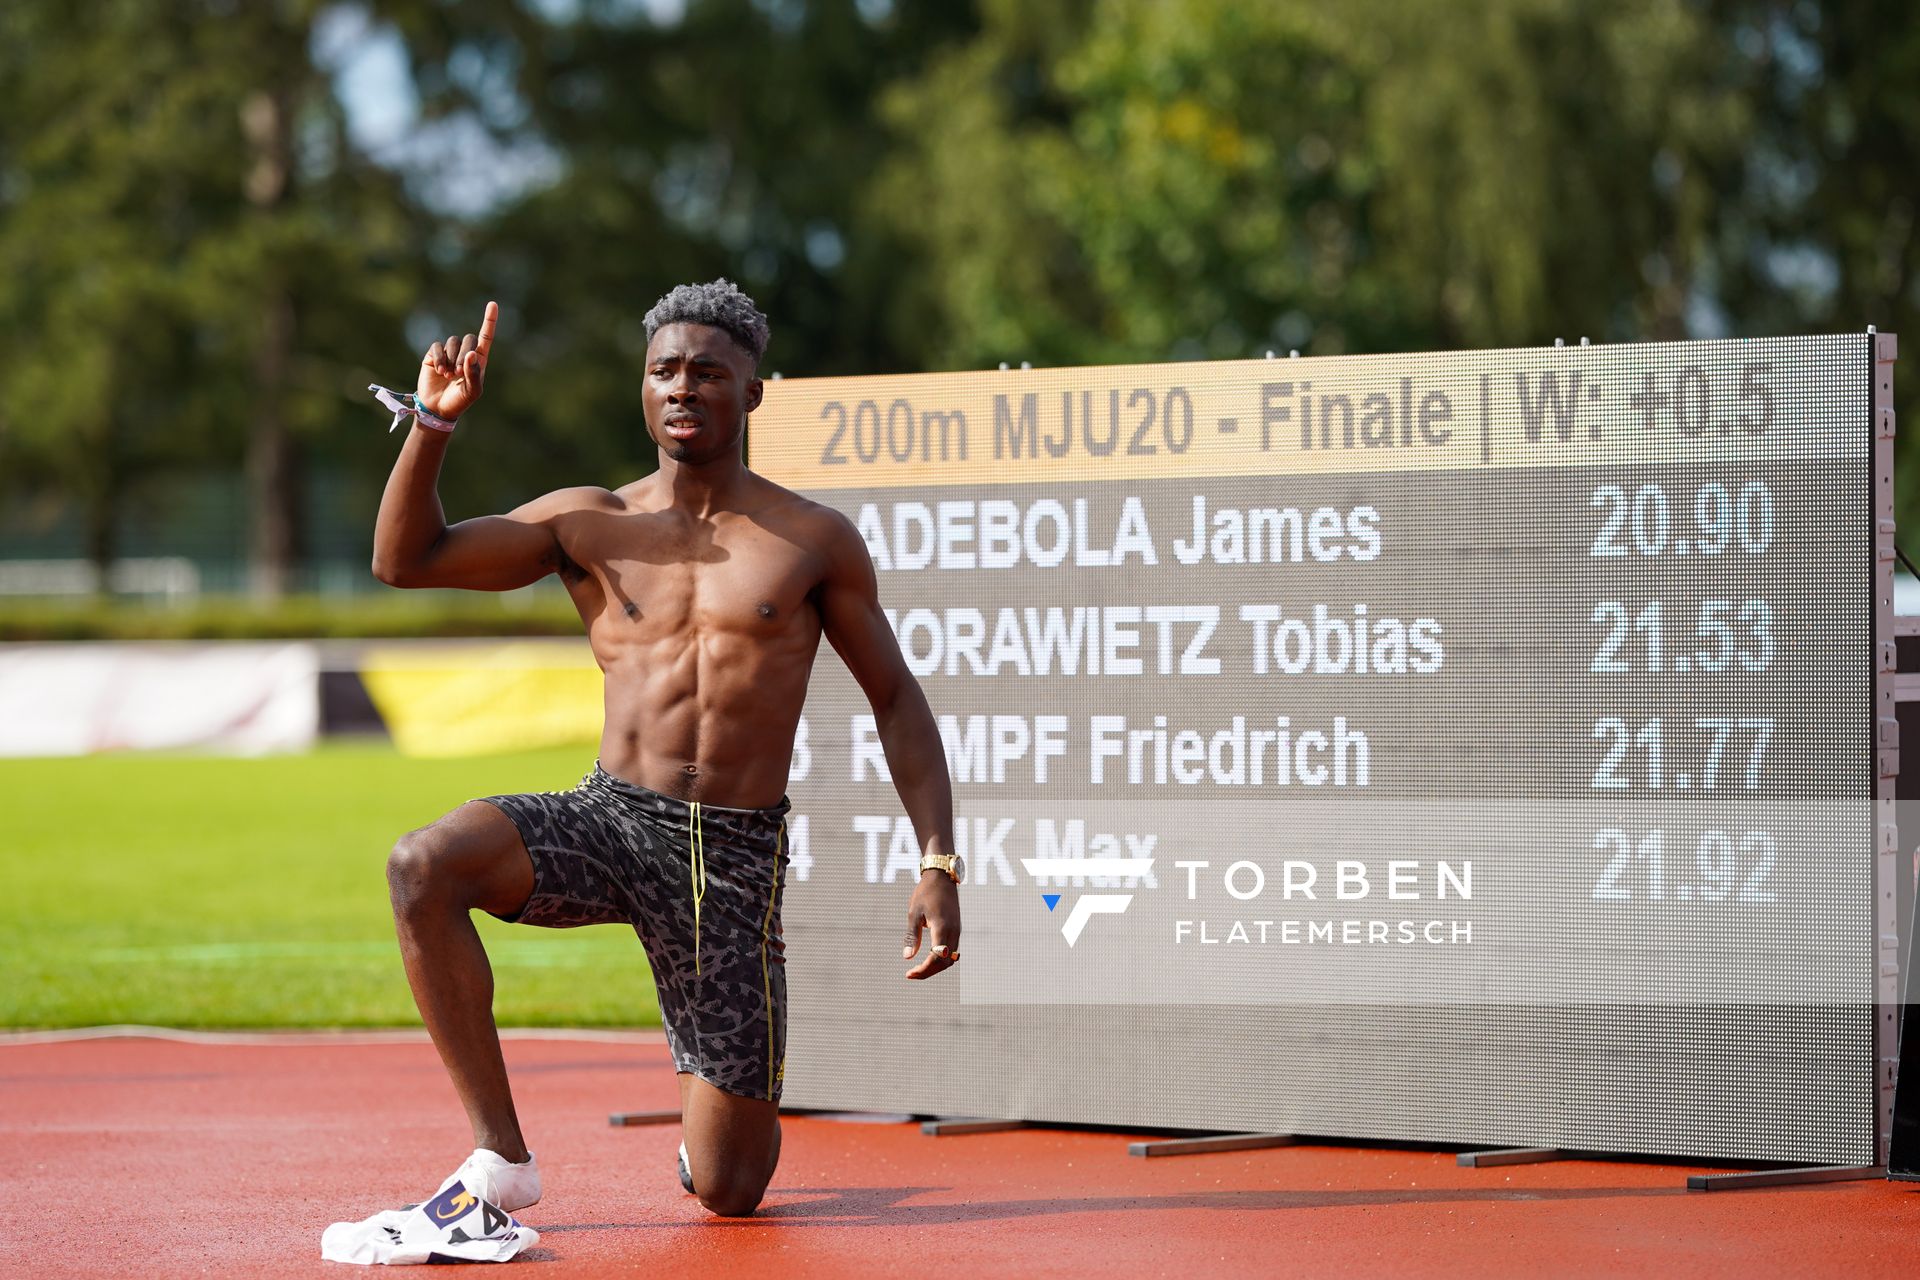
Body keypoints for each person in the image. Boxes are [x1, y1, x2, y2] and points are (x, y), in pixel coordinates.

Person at [367, 280, 962, 1219]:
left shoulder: (812, 539)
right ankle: (501, 1156)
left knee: (732, 1192)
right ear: (642, 390)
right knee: (423, 865)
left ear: (752, 394)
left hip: (731, 858)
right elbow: (407, 561)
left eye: (709, 373)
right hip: (610, 820)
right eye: (664, 371)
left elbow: (896, 699)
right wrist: (432, 428)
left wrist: (938, 862)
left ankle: (711, 1130)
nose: (684, 388)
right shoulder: (587, 520)